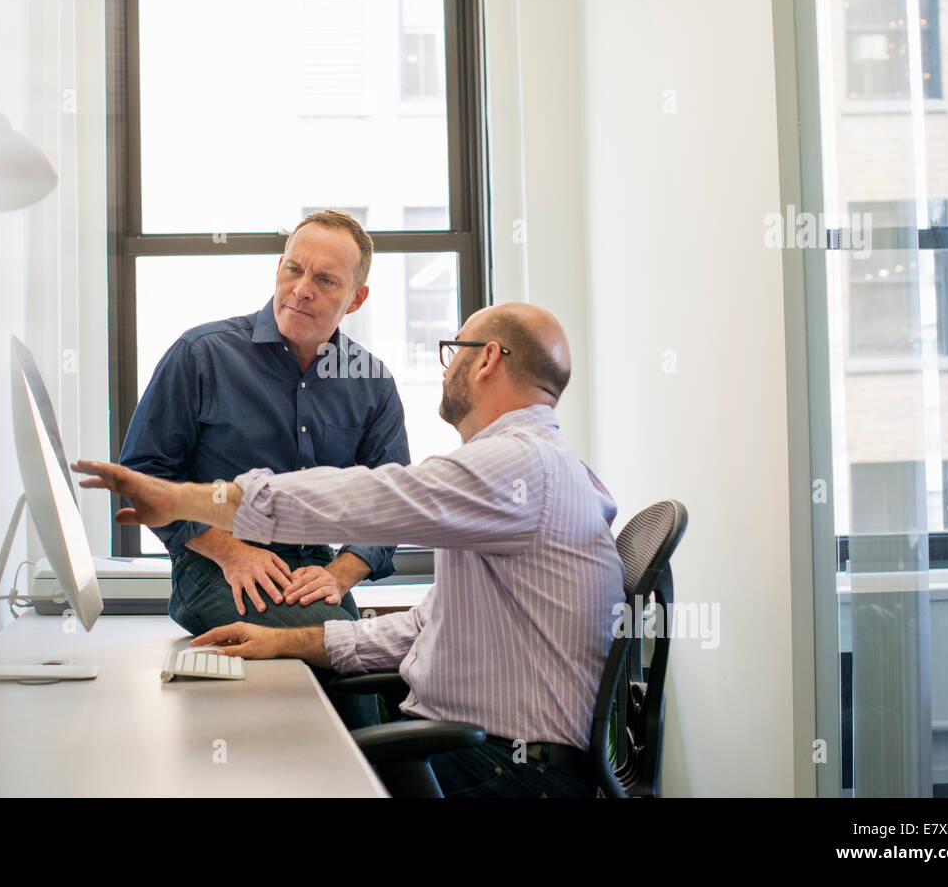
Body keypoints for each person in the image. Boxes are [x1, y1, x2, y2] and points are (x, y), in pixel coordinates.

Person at [78, 302, 627, 798]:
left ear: (485, 359)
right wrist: (286, 641)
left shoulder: (518, 465)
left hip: (505, 772)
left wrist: (187, 498)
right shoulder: (545, 465)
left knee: (278, 774)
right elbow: (428, 626)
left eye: (451, 352)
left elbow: (372, 497)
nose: (445, 367)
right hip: (500, 758)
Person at [118, 211, 409, 728]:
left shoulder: (373, 383)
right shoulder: (201, 356)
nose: (301, 290)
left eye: (325, 280)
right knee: (340, 658)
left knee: (371, 665)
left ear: (357, 299)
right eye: (293, 270)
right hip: (213, 569)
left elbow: (390, 508)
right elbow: (141, 478)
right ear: (278, 268)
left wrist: (339, 575)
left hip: (314, 575)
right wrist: (231, 553)